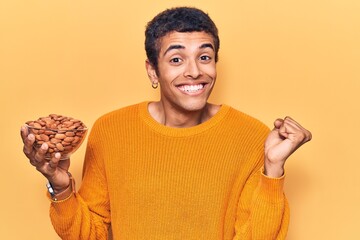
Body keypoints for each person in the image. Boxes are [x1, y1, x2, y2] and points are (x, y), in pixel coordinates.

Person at [21, 7, 312, 240]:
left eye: (205, 57)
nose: (195, 71)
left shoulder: (251, 136)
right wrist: (60, 189)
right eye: (176, 59)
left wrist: (273, 170)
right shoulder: (111, 131)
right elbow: (91, 235)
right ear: (153, 71)